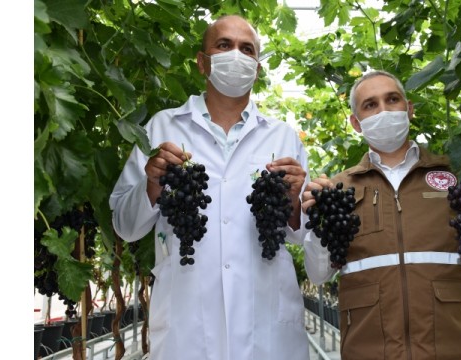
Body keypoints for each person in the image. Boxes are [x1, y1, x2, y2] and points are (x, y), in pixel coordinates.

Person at [109, 15, 310, 360]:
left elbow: (299, 235)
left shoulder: (282, 137)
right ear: (203, 62)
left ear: (257, 68)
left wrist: (294, 202)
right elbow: (125, 227)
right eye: (224, 45)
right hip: (186, 330)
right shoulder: (163, 127)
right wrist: (153, 184)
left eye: (247, 49)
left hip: (267, 330)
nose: (236, 55)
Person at [301, 70, 461, 360]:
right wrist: (319, 221)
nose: (384, 110)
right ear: (356, 122)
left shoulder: (455, 176)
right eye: (370, 105)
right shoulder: (340, 189)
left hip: (454, 350)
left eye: (392, 99)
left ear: (409, 109)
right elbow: (318, 273)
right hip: (369, 352)